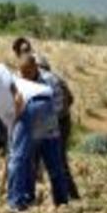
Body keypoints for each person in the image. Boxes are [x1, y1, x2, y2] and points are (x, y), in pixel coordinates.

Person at [7, 54, 69, 211]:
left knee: (48, 163)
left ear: (36, 67)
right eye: (23, 72)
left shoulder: (50, 80)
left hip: (45, 120)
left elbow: (60, 103)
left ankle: (59, 202)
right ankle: (22, 199)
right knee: (25, 160)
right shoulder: (17, 79)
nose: (25, 75)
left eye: (28, 71)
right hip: (35, 120)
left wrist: (42, 114)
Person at [36, 55, 80, 200]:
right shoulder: (57, 78)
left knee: (56, 159)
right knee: (59, 159)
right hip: (63, 120)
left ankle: (69, 195)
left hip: (55, 121)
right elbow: (71, 98)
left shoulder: (43, 78)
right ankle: (70, 193)